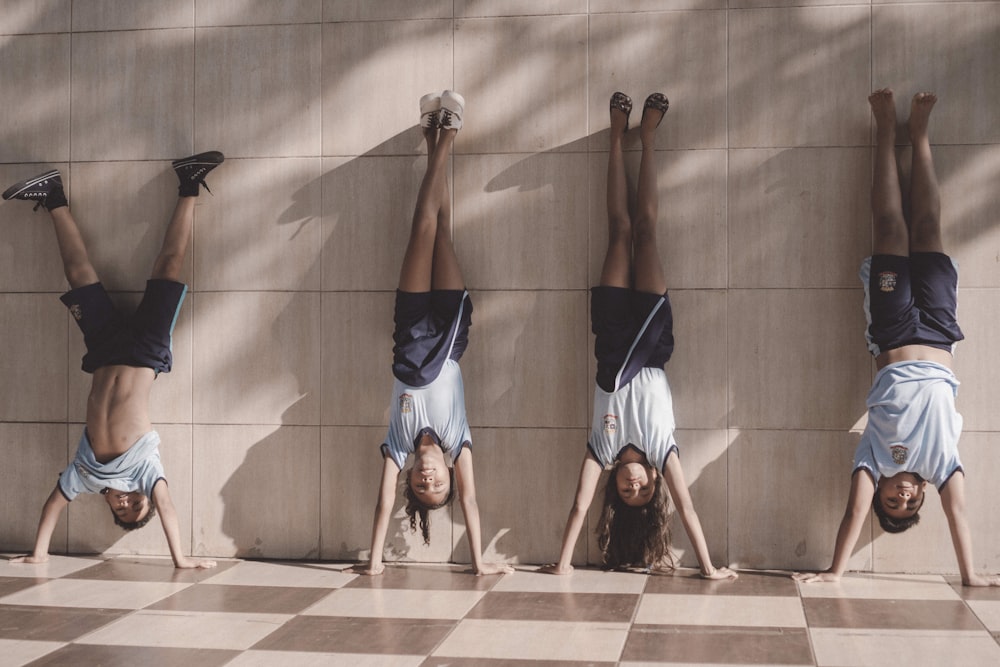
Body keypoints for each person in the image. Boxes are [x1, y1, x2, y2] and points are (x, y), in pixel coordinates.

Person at [793, 90, 999, 587]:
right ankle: (920, 137)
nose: (901, 497)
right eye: (908, 503)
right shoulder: (942, 465)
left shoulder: (872, 459)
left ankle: (886, 130)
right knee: (927, 227)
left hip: (893, 328)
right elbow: (960, 517)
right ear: (923, 495)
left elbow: (851, 515)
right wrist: (971, 577)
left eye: (892, 502)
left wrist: (835, 574)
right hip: (939, 329)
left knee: (889, 227)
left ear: (882, 488)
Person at [541, 92, 736, 579]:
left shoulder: (600, 452)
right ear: (654, 481)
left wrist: (563, 565)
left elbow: (579, 506)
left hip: (610, 332)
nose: (633, 487)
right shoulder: (662, 450)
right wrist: (709, 568)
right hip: (651, 338)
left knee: (619, 231)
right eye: (643, 491)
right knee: (646, 232)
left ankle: (614, 137)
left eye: (626, 492)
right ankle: (646, 139)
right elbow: (688, 511)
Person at [5, 151, 223, 569]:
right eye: (135, 505)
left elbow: (53, 506)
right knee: (168, 266)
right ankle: (190, 183)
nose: (127, 501)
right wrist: (182, 561)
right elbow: (169, 509)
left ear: (107, 504)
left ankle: (53, 197)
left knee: (78, 274)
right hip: (145, 352)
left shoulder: (84, 476)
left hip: (103, 353)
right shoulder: (146, 472)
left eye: (121, 509)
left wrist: (37, 553)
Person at [351, 91, 512, 577]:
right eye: (437, 484)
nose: (427, 479)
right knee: (442, 229)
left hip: (410, 326)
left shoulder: (396, 445)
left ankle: (444, 134)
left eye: (422, 487)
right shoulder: (458, 442)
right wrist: (480, 564)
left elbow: (382, 507)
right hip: (451, 332)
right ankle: (437, 134)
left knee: (421, 228)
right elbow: (474, 502)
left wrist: (375, 563)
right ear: (447, 474)